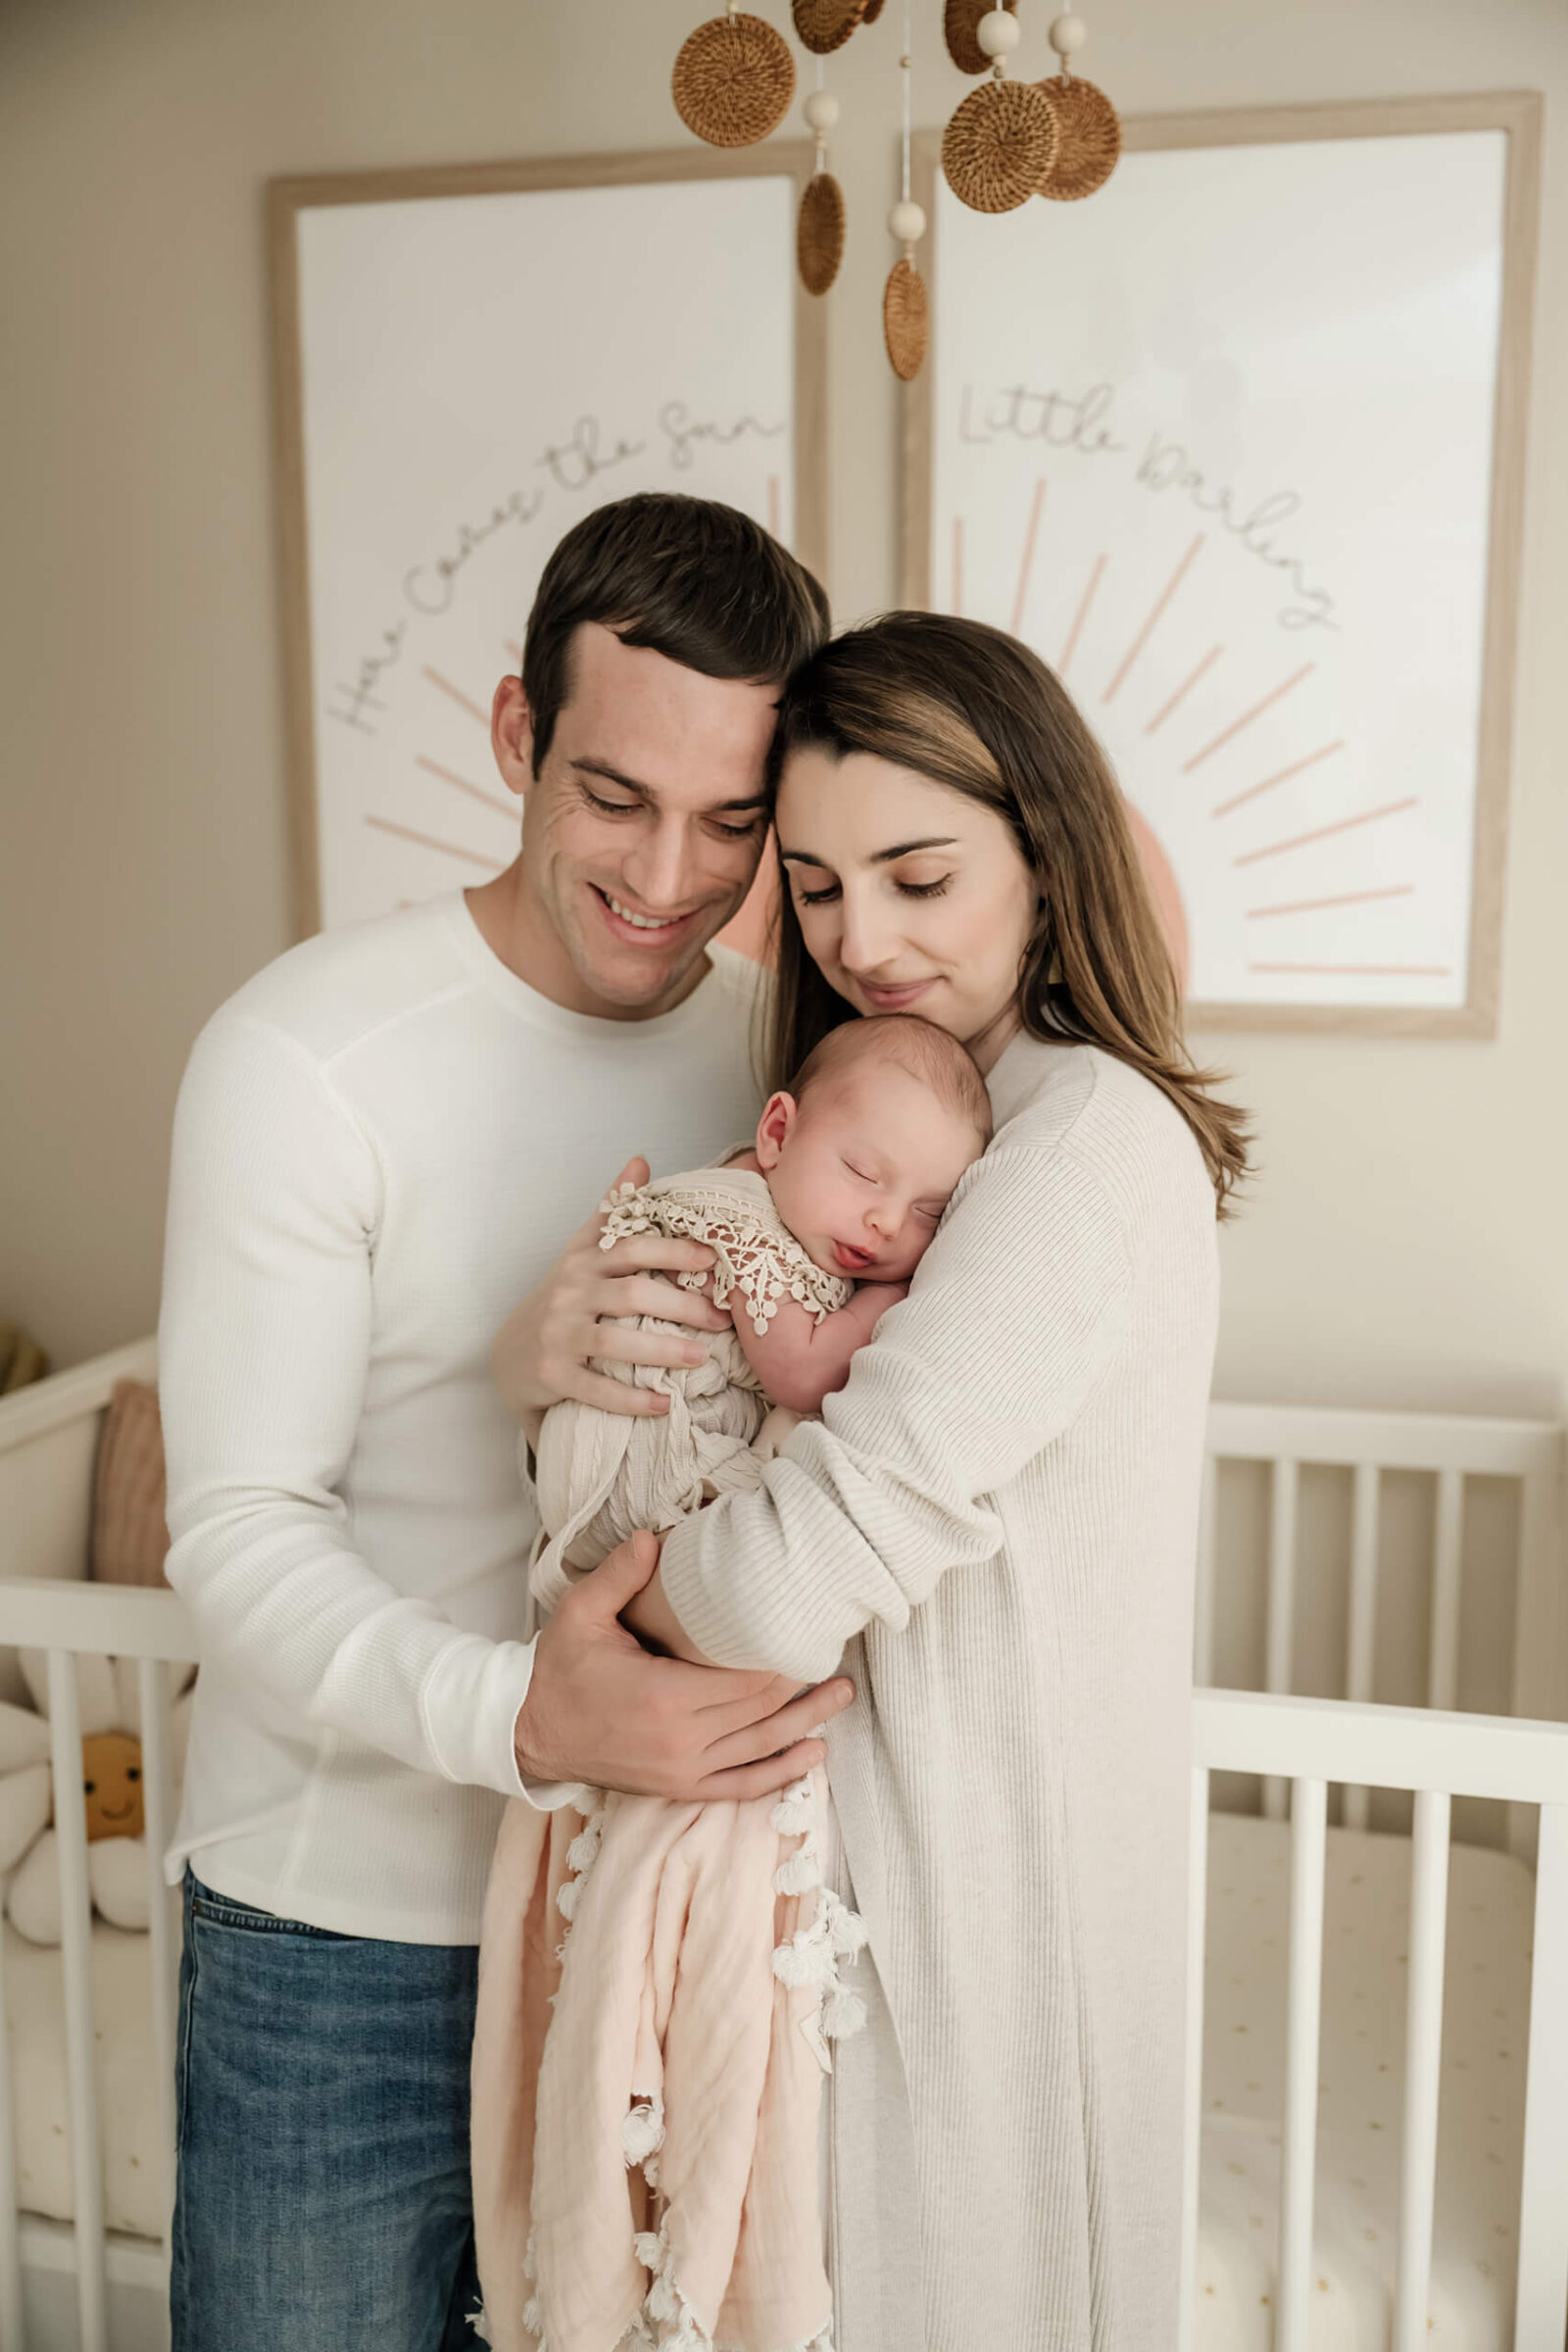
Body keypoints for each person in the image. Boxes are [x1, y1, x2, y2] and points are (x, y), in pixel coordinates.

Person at [505, 612, 1250, 2350]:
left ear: (1047, 856)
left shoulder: (1079, 1151)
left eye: (921, 877)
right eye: (823, 889)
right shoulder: (931, 1129)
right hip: (877, 1895)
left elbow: (780, 1580)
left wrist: (597, 1626)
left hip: (990, 1913)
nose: (865, 940)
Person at [156, 494, 852, 2352]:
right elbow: (232, 1531)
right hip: (343, 1947)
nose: (672, 874)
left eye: (733, 820)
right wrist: (522, 1713)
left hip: (653, 1928)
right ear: (515, 737)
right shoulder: (305, 1055)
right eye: (615, 795)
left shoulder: (783, 1065)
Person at [471, 1015, 992, 2352]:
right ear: (774, 1137)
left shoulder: (777, 1217)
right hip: (628, 1498)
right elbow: (803, 1372)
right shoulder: (739, 1229)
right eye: (866, 1177)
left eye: (932, 1211)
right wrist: (895, 1309)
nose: (885, 1225)